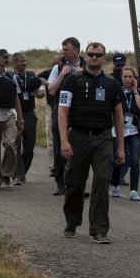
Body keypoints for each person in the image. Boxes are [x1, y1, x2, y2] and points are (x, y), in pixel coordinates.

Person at [58, 42, 125, 243]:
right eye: (91, 54)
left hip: (103, 136)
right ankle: (72, 221)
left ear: (104, 58)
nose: (94, 58)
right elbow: (62, 111)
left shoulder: (113, 84)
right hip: (77, 135)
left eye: (98, 55)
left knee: (102, 180)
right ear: (85, 56)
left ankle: (99, 229)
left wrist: (120, 146)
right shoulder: (72, 80)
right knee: (75, 182)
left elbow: (119, 116)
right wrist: (64, 140)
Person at [47, 38, 86, 195]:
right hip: (60, 110)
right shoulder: (58, 67)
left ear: (76, 50)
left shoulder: (86, 66)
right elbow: (51, 90)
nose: (64, 52)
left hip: (80, 111)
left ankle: (77, 185)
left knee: (80, 148)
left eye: (67, 50)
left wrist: (81, 74)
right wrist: (62, 75)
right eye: (63, 50)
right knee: (59, 146)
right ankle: (60, 183)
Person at [0, 49, 25, 189]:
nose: (6, 60)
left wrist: (21, 119)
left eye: (7, 57)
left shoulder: (11, 77)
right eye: (3, 57)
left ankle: (6, 174)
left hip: (10, 114)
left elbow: (16, 98)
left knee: (10, 144)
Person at [110, 65, 140, 201]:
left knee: (135, 160)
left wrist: (135, 91)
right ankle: (115, 184)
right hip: (118, 130)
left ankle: (133, 190)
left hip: (134, 130)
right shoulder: (116, 90)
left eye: (130, 77)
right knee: (118, 159)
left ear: (134, 78)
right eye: (125, 76)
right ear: (121, 78)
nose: (127, 79)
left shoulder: (139, 91)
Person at [11, 52, 45, 184]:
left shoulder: (31, 76)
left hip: (30, 113)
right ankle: (18, 175)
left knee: (30, 146)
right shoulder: (10, 76)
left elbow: (42, 91)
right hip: (14, 114)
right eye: (20, 61)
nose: (24, 63)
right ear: (14, 63)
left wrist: (39, 94)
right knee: (16, 145)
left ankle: (22, 171)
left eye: (25, 61)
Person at [39, 54, 62, 177]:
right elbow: (35, 81)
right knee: (51, 136)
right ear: (51, 61)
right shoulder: (46, 73)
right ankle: (53, 166)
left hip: (64, 107)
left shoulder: (65, 71)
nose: (56, 64)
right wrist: (41, 87)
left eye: (59, 62)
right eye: (54, 62)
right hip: (50, 106)